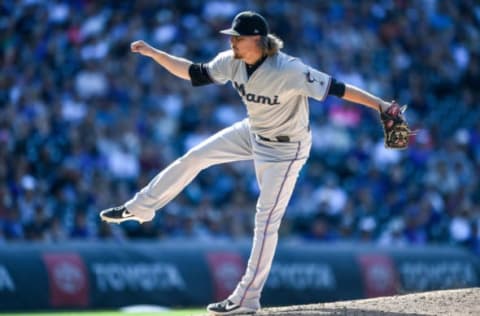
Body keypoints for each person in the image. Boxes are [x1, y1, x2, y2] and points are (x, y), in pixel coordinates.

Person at [100, 11, 396, 315]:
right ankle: (140, 208)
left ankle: (247, 298)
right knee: (195, 157)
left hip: (286, 150)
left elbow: (339, 88)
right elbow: (193, 72)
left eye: (237, 37)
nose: (232, 41)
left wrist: (383, 106)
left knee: (266, 221)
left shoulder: (290, 69)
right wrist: (154, 53)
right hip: (253, 132)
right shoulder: (232, 61)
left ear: (257, 39)